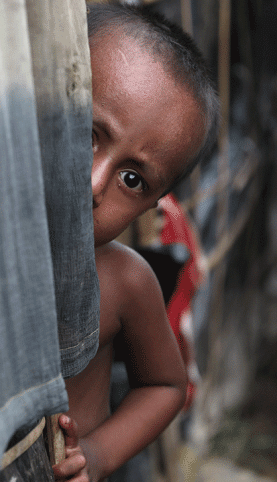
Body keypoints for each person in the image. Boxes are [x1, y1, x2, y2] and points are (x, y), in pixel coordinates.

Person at [51, 4, 218, 481]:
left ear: (153, 206)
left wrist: (98, 456)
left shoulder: (124, 281)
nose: (93, 183)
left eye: (132, 178)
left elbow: (166, 385)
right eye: (86, 134)